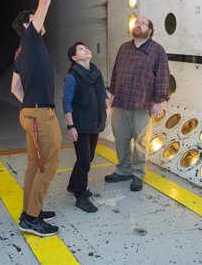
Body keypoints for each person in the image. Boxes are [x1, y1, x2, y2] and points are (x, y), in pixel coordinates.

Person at [10, 0, 61, 237]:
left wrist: (29, 107)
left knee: (33, 165)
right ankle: (31, 218)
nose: (41, 19)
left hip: (29, 113)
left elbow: (14, 89)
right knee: (47, 165)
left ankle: (31, 209)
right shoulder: (31, 39)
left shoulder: (20, 52)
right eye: (35, 19)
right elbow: (44, 4)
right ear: (28, 26)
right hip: (40, 114)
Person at [105, 16, 170, 192]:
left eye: (143, 24)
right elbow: (116, 71)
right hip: (121, 101)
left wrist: (158, 101)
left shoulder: (157, 50)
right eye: (136, 23)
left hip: (143, 104)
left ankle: (138, 175)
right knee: (121, 138)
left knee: (141, 142)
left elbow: (163, 76)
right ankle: (123, 170)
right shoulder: (124, 48)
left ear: (150, 30)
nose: (138, 25)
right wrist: (112, 93)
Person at [62, 42, 110, 213]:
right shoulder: (72, 77)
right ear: (74, 58)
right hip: (81, 125)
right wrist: (71, 126)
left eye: (86, 47)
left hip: (95, 122)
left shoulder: (95, 73)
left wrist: (107, 107)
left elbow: (103, 93)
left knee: (87, 158)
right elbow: (66, 103)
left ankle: (72, 185)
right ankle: (80, 195)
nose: (86, 49)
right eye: (81, 49)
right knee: (84, 160)